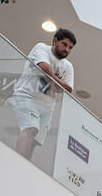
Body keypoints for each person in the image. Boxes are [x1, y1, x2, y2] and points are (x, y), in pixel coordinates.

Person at [10, 28, 76, 160]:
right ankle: (16, 162)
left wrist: (51, 79)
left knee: (34, 142)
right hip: (27, 97)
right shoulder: (41, 48)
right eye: (64, 44)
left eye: (70, 48)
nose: (67, 50)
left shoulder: (68, 66)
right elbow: (44, 67)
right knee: (31, 129)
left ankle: (24, 166)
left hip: (47, 107)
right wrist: (57, 83)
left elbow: (68, 89)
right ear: (55, 41)